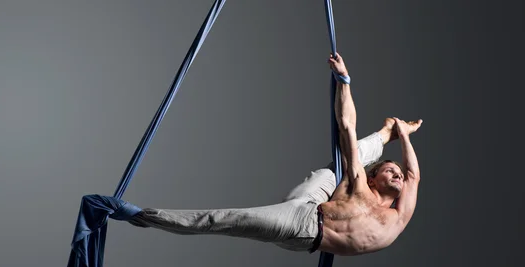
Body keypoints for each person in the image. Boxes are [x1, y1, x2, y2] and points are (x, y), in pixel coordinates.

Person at [129, 53, 423, 256]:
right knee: (349, 157)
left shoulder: (397, 217)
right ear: (374, 178)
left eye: (397, 172)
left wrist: (405, 138)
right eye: (389, 170)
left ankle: (387, 134)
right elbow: (346, 125)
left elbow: (413, 176)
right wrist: (344, 81)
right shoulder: (360, 183)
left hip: (307, 231)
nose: (397, 174)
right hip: (309, 210)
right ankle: (143, 216)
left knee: (353, 157)